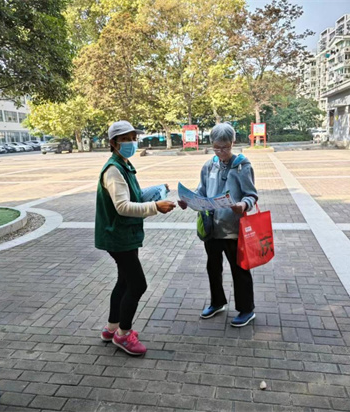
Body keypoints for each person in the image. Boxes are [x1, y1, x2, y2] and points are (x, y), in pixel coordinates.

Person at [95, 120, 176, 355]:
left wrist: (157, 190)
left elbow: (134, 195)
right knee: (138, 284)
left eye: (133, 138)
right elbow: (122, 206)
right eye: (126, 139)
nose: (131, 142)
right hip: (118, 236)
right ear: (113, 143)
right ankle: (123, 335)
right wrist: (155, 207)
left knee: (124, 281)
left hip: (124, 234)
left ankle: (111, 328)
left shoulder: (124, 165)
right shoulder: (113, 170)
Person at [178, 123, 258, 327]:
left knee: (239, 269)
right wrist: (189, 200)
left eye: (225, 147)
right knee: (213, 267)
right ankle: (217, 302)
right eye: (217, 147)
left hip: (233, 229)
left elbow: (251, 194)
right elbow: (202, 191)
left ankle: (246, 309)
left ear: (232, 143)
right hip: (212, 227)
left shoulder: (242, 165)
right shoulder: (209, 165)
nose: (221, 152)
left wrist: (243, 204)